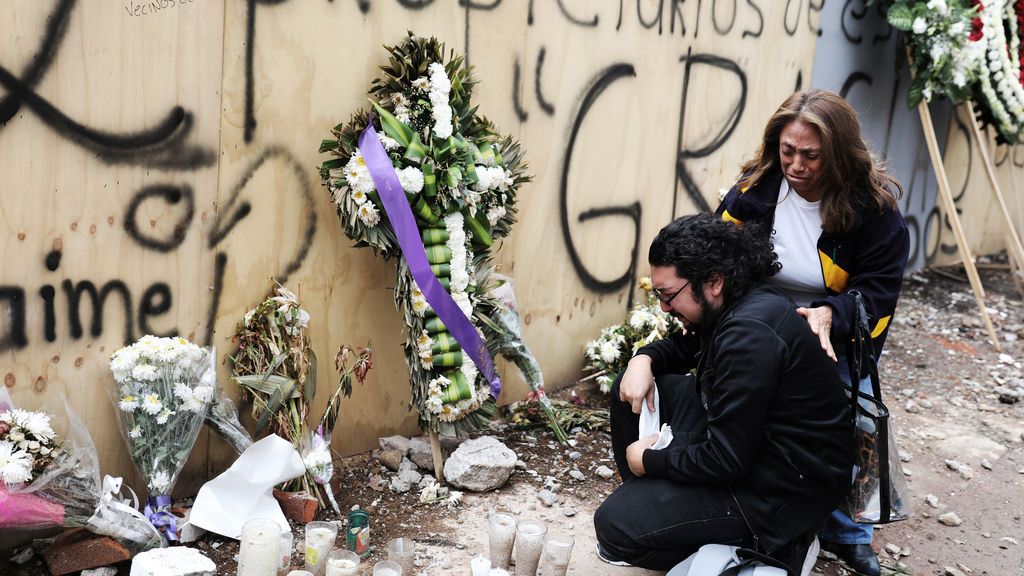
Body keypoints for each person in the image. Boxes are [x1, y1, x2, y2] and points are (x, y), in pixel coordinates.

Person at [716, 88, 910, 576]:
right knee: (750, 415)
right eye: (787, 151)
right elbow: (718, 253)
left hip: (837, 333)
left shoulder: (875, 210)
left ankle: (850, 533)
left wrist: (830, 315)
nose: (796, 165)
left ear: (838, 155)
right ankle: (754, 508)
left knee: (854, 421)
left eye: (811, 155)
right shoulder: (756, 188)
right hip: (764, 322)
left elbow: (879, 295)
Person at [593, 213, 854, 575]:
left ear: (713, 281)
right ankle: (667, 513)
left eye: (669, 295)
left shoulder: (748, 335)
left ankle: (771, 546)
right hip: (754, 445)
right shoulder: (736, 299)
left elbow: (728, 459)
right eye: (658, 295)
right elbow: (685, 348)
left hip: (780, 489)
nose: (664, 307)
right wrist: (643, 359)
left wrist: (648, 461)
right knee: (632, 390)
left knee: (615, 528)